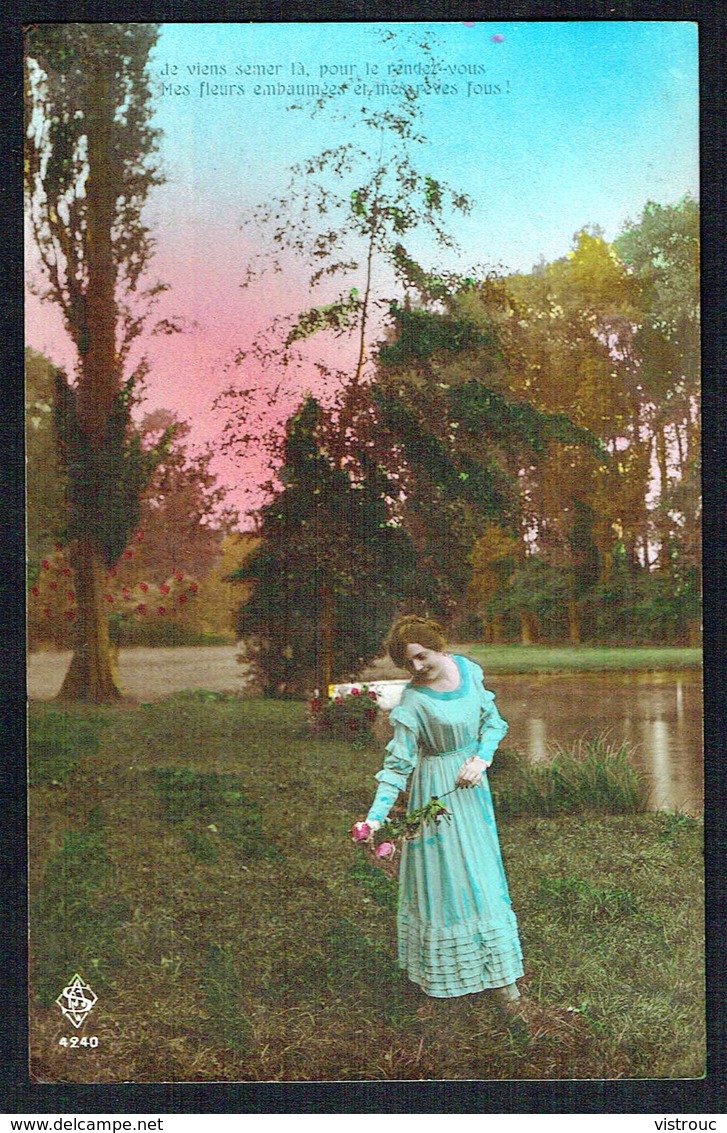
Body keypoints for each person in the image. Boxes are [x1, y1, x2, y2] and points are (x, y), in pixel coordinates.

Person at [358, 615, 524, 1007]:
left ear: (439, 646)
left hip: (472, 790)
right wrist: (374, 818)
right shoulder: (414, 700)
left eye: (422, 656)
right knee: (450, 879)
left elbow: (494, 724)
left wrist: (481, 760)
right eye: (408, 662)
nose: (417, 667)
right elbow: (398, 765)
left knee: (482, 877)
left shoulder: (468, 670)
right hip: (435, 794)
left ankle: (500, 977)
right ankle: (448, 979)